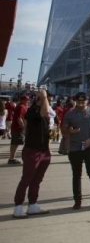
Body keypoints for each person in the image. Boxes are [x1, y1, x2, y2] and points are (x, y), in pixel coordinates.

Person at [13, 89, 52, 218]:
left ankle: (33, 204)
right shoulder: (32, 110)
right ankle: (18, 206)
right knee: (27, 179)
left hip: (44, 150)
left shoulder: (46, 112)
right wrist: (44, 97)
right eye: (48, 100)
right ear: (41, 99)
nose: (49, 103)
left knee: (37, 179)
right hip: (32, 150)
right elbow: (44, 112)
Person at [62, 92, 90, 209]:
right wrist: (70, 130)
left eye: (83, 102)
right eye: (78, 102)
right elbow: (63, 129)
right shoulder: (70, 114)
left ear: (87, 101)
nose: (80, 104)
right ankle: (77, 199)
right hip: (75, 146)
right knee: (76, 174)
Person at [8, 94, 29, 164]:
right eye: (26, 100)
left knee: (15, 143)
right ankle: (12, 158)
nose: (28, 101)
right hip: (18, 128)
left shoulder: (21, 106)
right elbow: (19, 118)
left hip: (16, 127)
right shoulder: (21, 107)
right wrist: (23, 127)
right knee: (15, 143)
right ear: (22, 100)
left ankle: (12, 158)